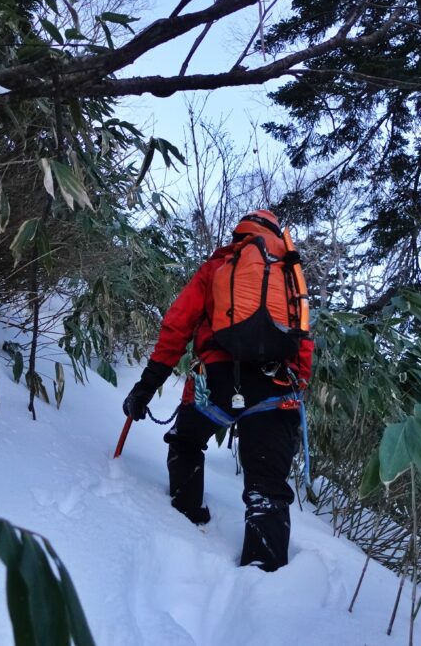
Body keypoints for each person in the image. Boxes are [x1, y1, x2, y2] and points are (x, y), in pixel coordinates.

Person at [122, 210, 313, 572]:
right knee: (267, 488)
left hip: (217, 382)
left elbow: (176, 327)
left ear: (240, 232)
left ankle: (185, 519)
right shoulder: (290, 276)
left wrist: (145, 388)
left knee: (186, 441)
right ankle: (263, 581)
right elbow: (303, 339)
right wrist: (296, 385)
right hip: (276, 386)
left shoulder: (218, 267)